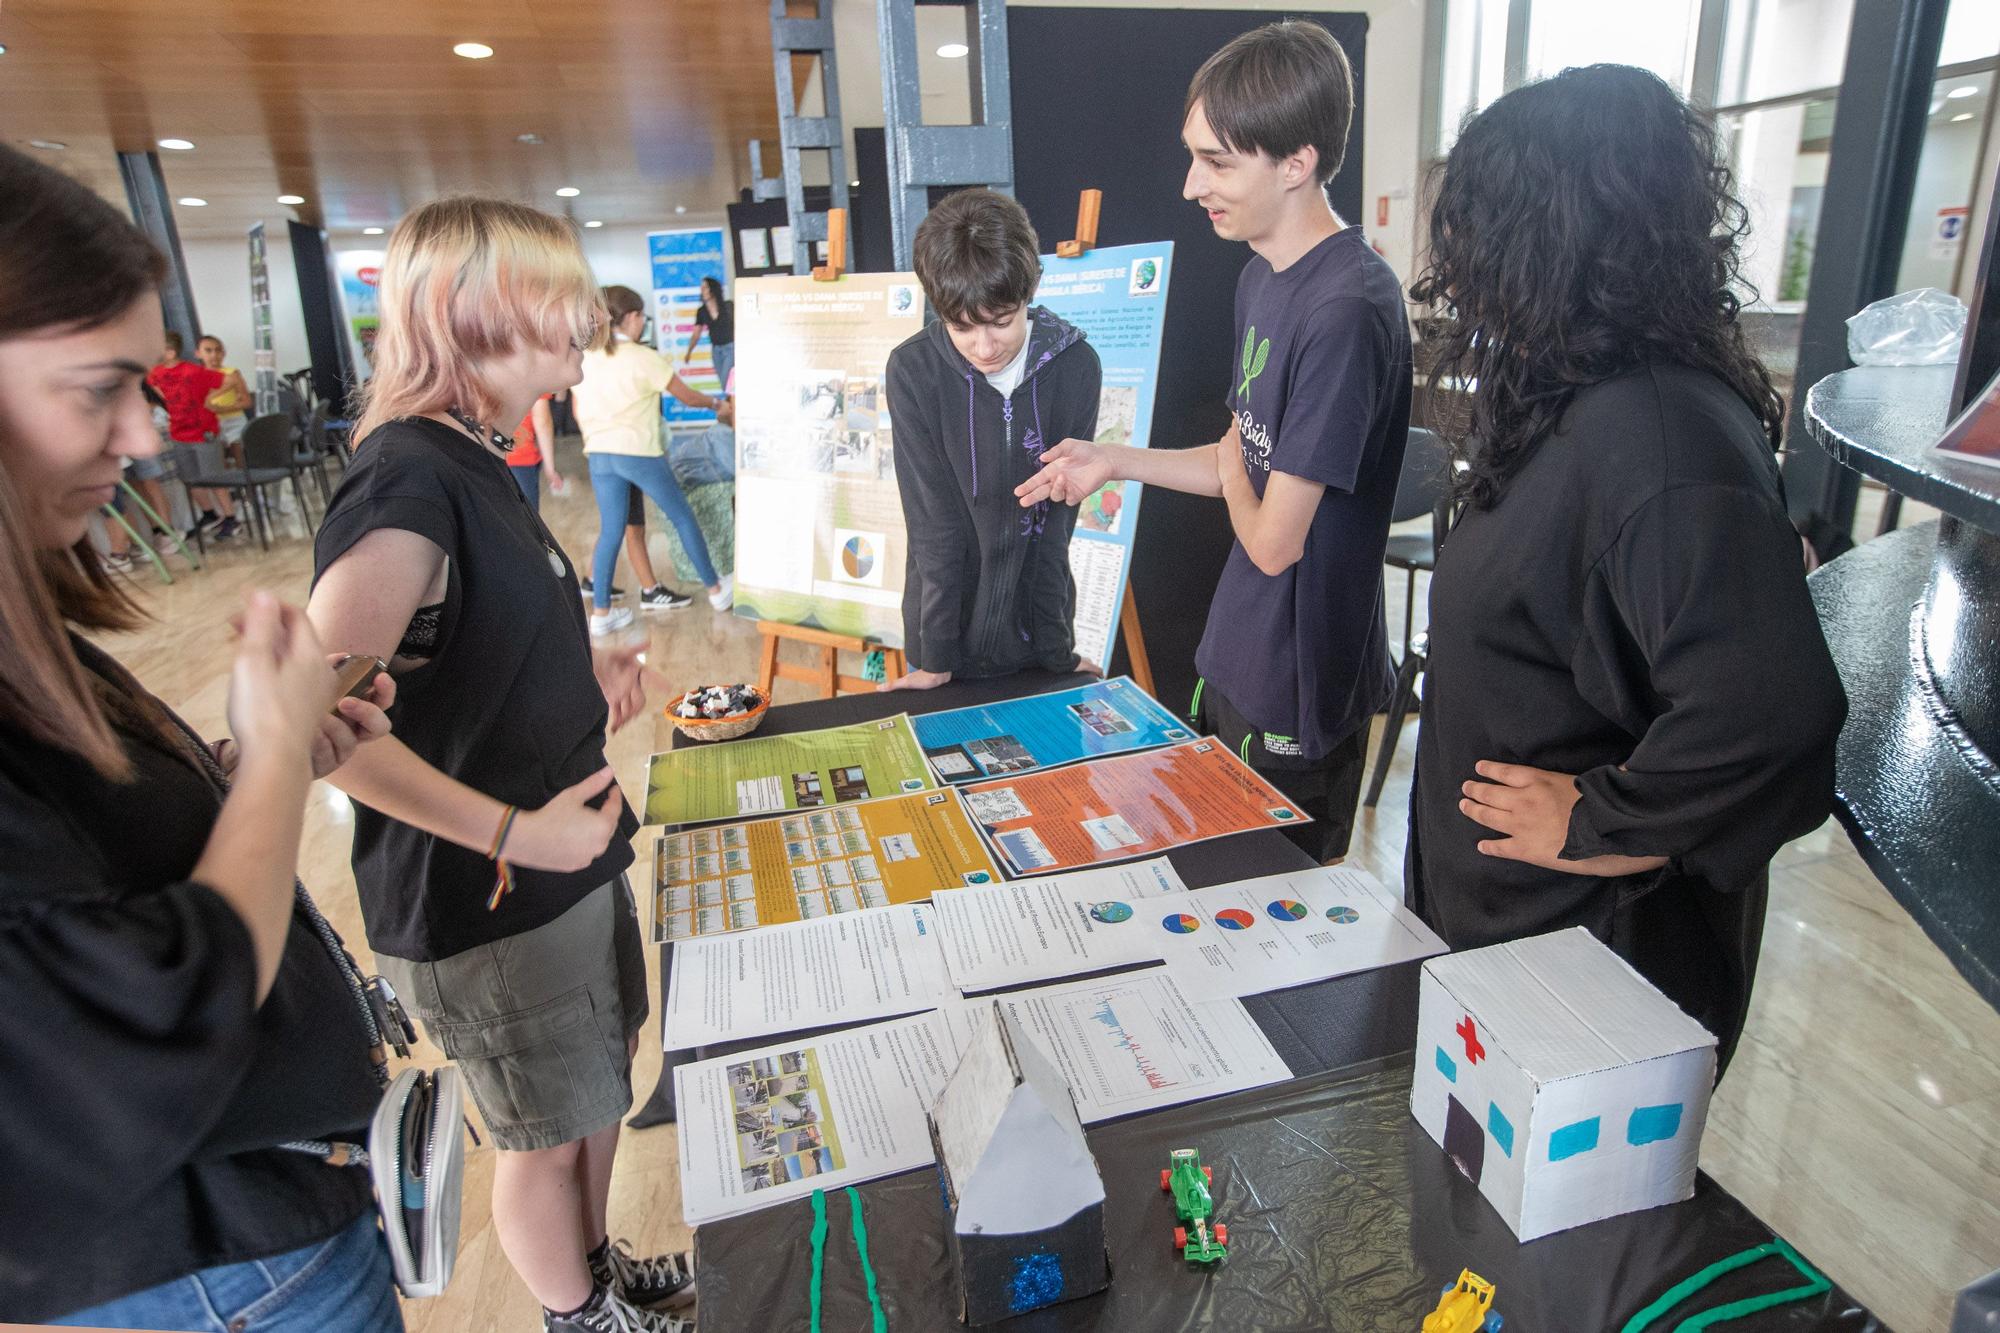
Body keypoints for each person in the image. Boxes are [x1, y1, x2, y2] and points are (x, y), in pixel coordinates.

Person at [0, 141, 401, 1331]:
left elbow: (95, 877)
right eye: (95, 389)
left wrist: (254, 772)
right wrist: (273, 761)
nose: (143, 437)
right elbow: (131, 1018)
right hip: (210, 1268)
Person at [1403, 65, 1847, 1073]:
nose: (1459, 267)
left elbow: (1769, 706)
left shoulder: (1659, 436)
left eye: (1476, 230)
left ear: (1544, 234)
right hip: (1510, 942)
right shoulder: (1578, 396)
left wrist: (1607, 821)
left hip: (1591, 969)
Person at [306, 198, 698, 1333]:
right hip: (485, 899)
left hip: (557, 869)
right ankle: (578, 1316)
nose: (582, 331)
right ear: (473, 318)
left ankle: (598, 1269)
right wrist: (518, 835)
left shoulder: (476, 459)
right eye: (558, 310)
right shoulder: (403, 482)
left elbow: (461, 659)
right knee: (539, 1129)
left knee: (591, 1098)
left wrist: (582, 680)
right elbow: (322, 729)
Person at [1020, 21, 1410, 864]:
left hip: (1299, 684)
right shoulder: (1260, 277)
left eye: (1220, 161)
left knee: (1275, 923)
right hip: (1234, 655)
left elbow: (1273, 539)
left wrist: (1235, 467)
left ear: (1297, 163)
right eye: (1194, 155)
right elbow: (1240, 457)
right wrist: (1113, 459)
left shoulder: (1348, 308)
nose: (1193, 183)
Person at [879, 187, 1102, 690]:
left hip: (1033, 639)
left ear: (1030, 291)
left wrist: (1056, 649)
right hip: (945, 639)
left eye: (1001, 323)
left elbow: (1055, 528)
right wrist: (935, 656)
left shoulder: (1074, 368)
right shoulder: (915, 372)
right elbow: (933, 525)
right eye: (962, 327)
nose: (984, 347)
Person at [574, 284, 730, 635]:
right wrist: (717, 404)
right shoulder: (643, 357)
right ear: (629, 318)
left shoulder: (587, 356)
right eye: (641, 316)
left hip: (599, 453)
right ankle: (717, 590)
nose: (643, 322)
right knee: (681, 518)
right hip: (639, 452)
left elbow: (576, 405)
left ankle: (600, 614)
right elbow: (687, 397)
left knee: (611, 531)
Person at [148, 330, 243, 540]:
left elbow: (231, 379)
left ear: (171, 352)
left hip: (203, 432)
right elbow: (153, 384)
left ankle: (231, 518)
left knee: (215, 477)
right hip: (179, 433)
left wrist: (210, 399)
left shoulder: (192, 371)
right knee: (190, 478)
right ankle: (209, 514)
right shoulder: (156, 373)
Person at [507, 390, 564, 513]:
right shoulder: (531, 373)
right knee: (527, 521)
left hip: (483, 457)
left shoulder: (475, 372)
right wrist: (550, 469)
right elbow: (542, 422)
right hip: (521, 460)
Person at [196, 333, 253, 451]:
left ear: (223, 353)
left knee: (240, 457)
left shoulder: (232, 373)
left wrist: (223, 409)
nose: (214, 355)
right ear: (198, 354)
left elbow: (247, 402)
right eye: (208, 351)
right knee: (218, 459)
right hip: (211, 423)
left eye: (218, 351)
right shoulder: (195, 376)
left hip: (234, 420)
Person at [681, 275, 734, 396]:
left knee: (727, 383)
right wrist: (689, 352)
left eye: (705, 287)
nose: (702, 290)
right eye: (701, 287)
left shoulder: (728, 306)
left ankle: (733, 409)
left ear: (713, 289)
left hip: (731, 348)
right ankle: (732, 408)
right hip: (716, 350)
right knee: (724, 383)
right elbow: (696, 334)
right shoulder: (702, 311)